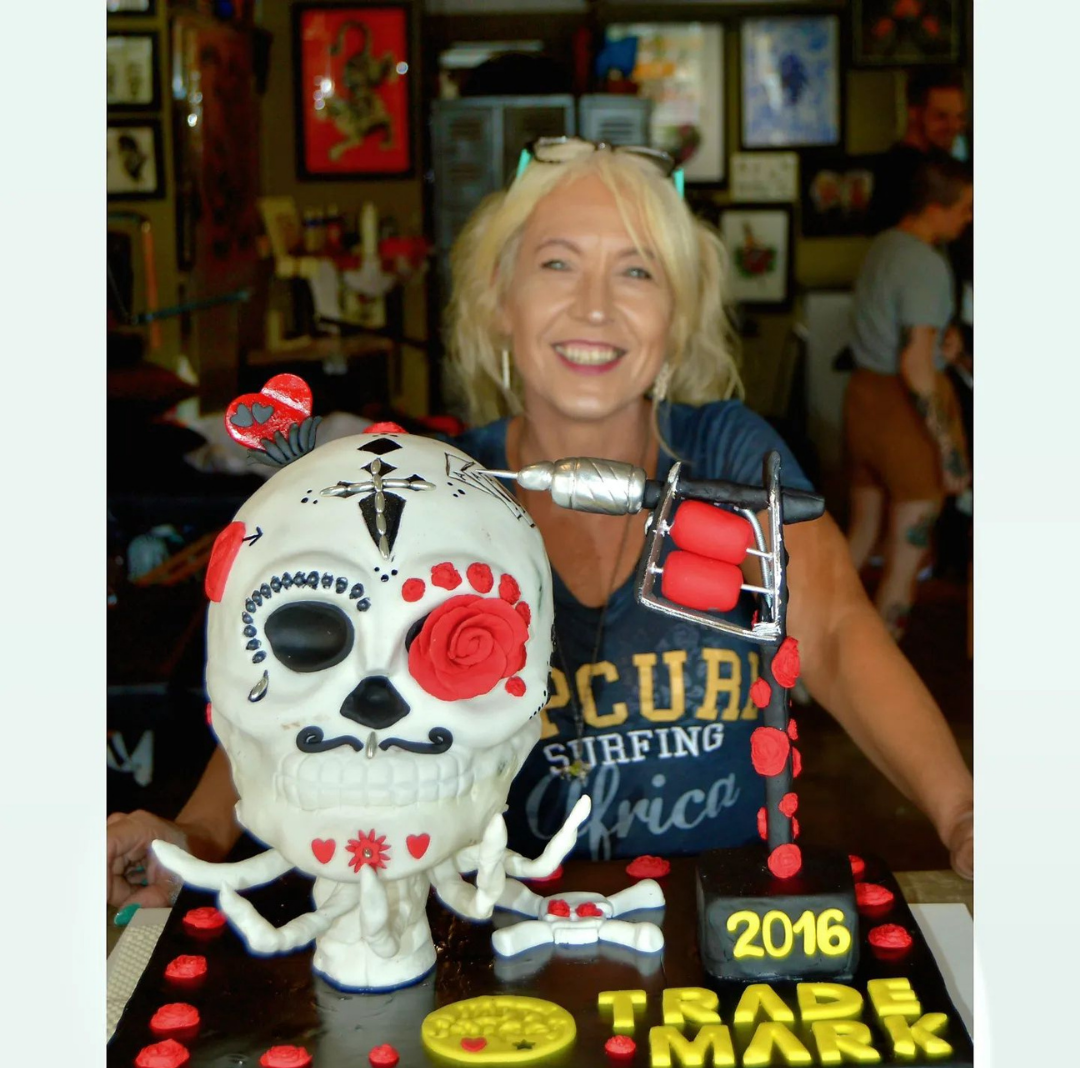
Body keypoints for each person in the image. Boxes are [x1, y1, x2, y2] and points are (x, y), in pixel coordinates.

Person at [107, 139, 974, 910]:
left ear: (677, 320)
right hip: (498, 939)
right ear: (499, 302)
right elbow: (299, 675)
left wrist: (965, 814)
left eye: (638, 272)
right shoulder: (432, 493)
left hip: (718, 927)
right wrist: (199, 835)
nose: (596, 307)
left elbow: (837, 636)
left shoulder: (730, 457)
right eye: (558, 264)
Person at [844, 152, 973, 640]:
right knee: (905, 558)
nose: (969, 218)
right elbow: (915, 364)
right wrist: (950, 450)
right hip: (903, 417)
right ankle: (882, 663)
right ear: (935, 208)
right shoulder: (925, 263)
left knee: (859, 538)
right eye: (964, 208)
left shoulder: (883, 246)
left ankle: (803, 657)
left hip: (862, 403)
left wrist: (945, 343)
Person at [868, 66, 967, 234]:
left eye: (959, 117)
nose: (954, 127)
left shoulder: (944, 164)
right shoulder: (901, 171)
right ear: (913, 113)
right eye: (941, 116)